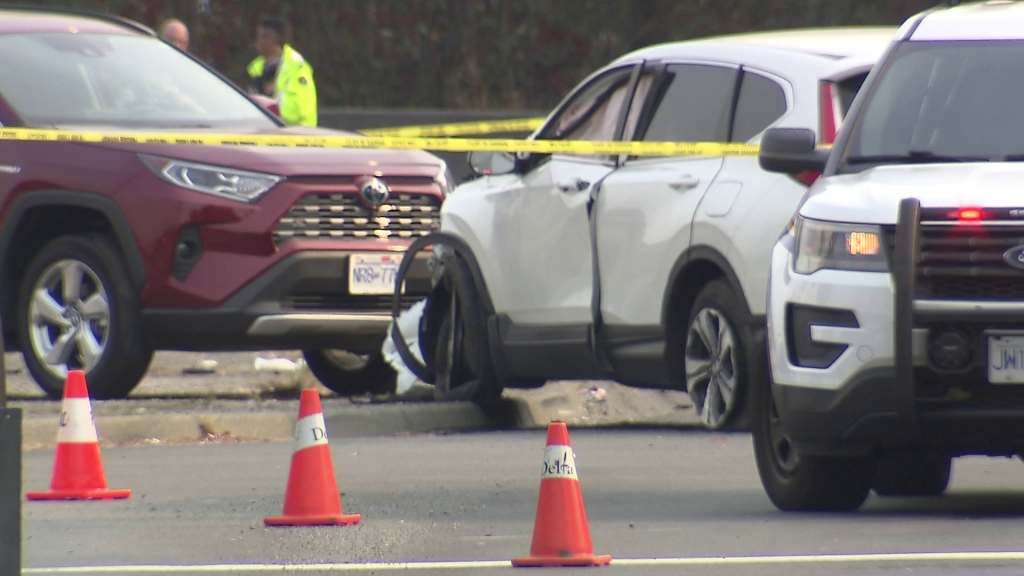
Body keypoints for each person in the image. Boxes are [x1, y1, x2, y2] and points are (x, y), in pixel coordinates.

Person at [246, 18, 317, 127]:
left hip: (297, 137)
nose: (258, 41)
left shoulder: (296, 67)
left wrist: (269, 101)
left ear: (277, 40)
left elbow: (298, 109)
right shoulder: (255, 69)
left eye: (264, 36)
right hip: (265, 132)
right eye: (258, 36)